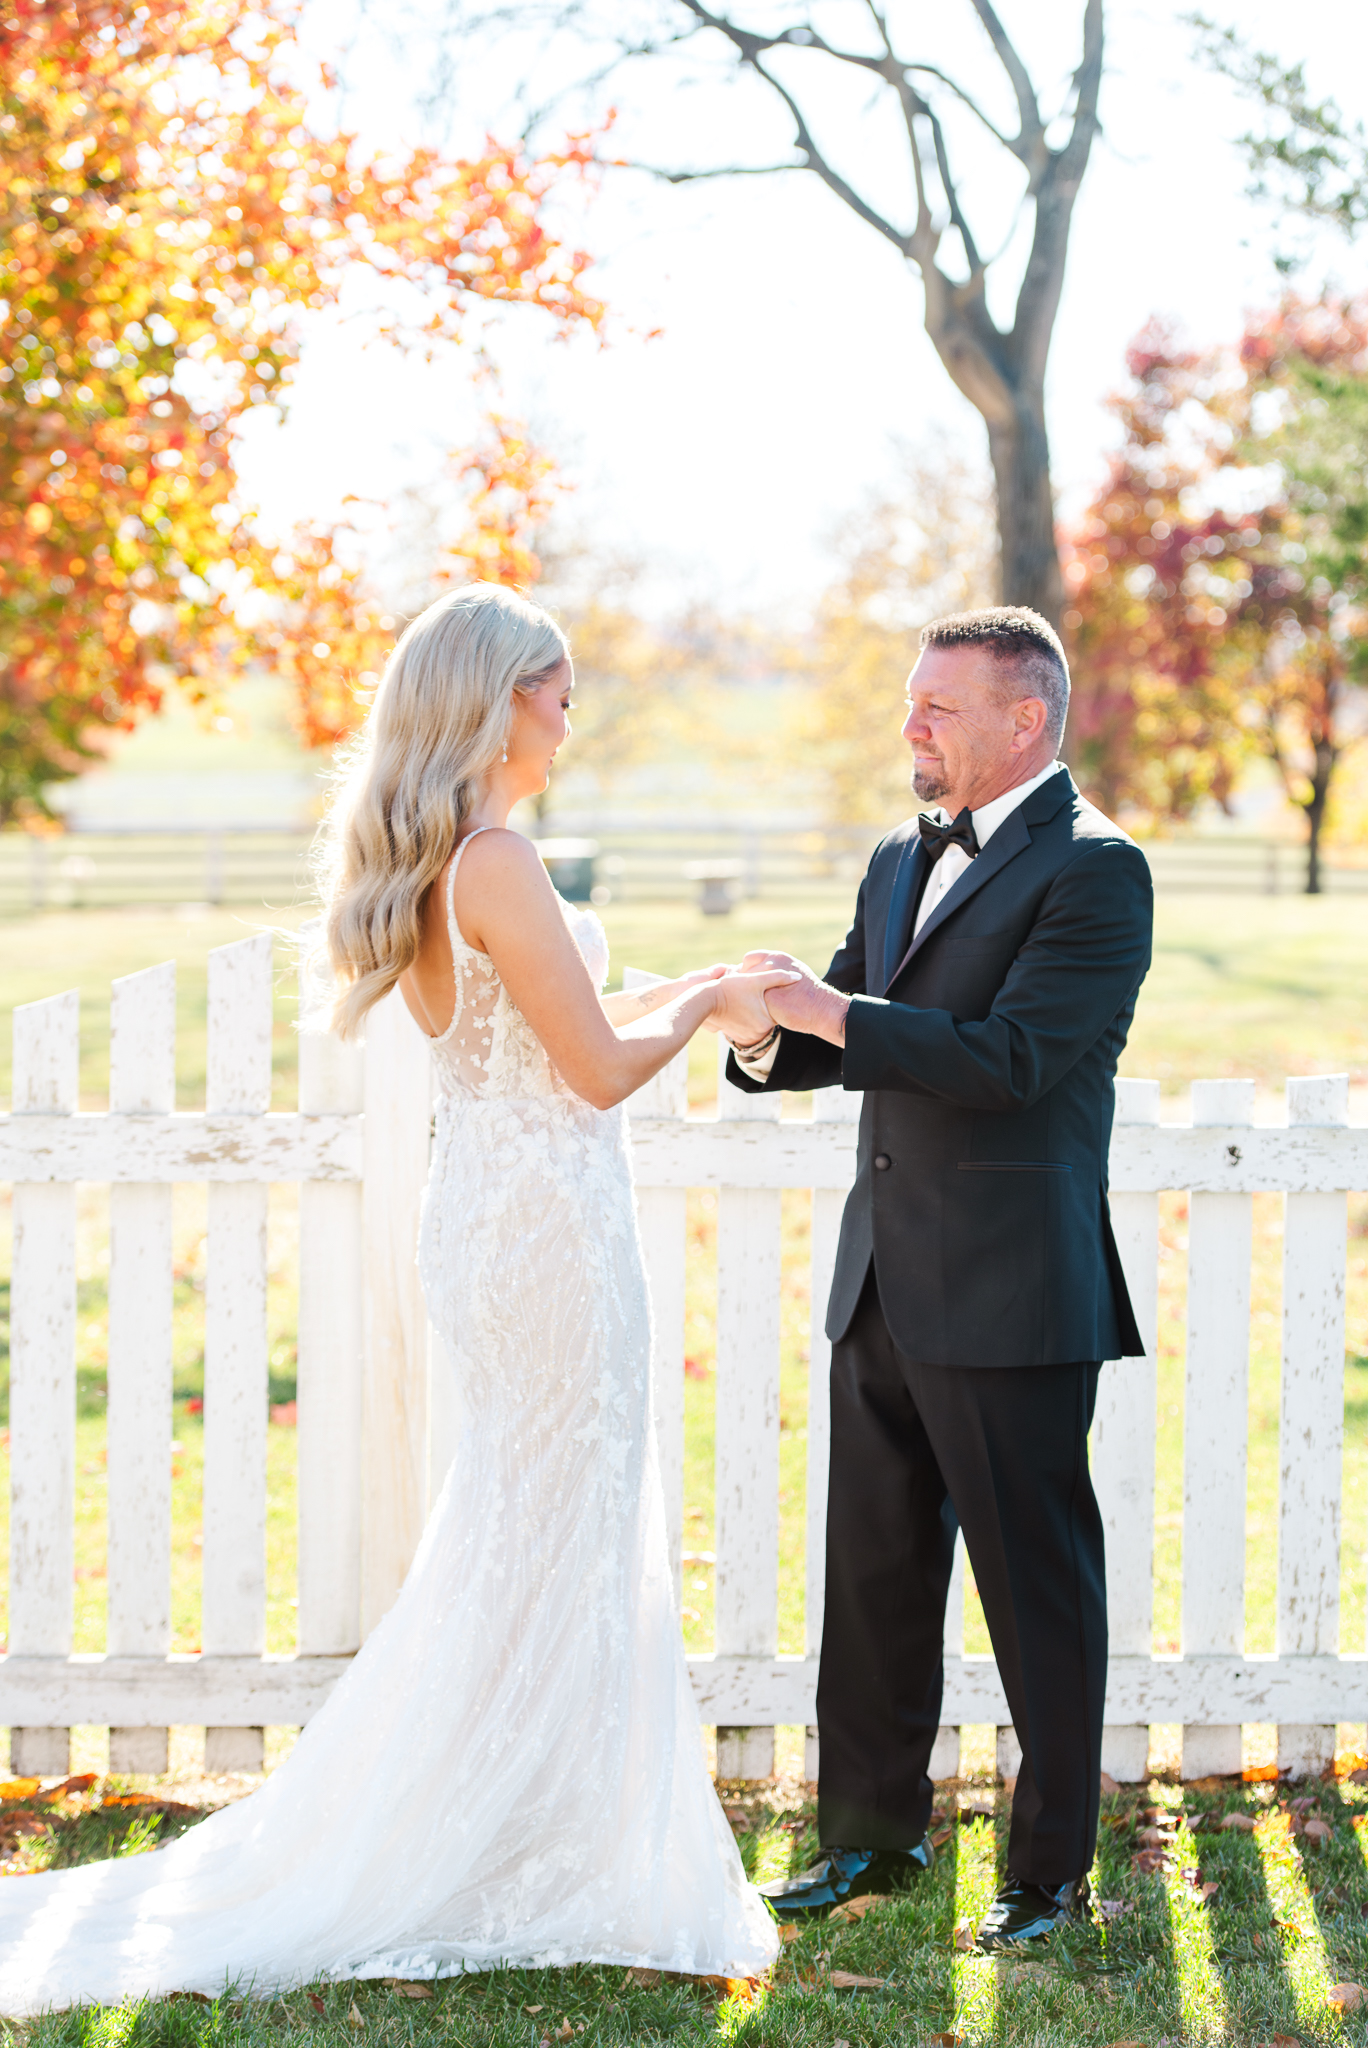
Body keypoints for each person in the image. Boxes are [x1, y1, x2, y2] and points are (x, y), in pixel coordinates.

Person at [0, 584, 784, 2015]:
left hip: (491, 1219)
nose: (570, 720)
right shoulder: (500, 860)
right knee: (559, 1526)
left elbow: (555, 1027)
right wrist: (711, 1010)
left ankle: (523, 1826)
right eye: (558, 694)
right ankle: (510, 1842)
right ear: (500, 702)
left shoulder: (442, 865)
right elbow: (600, 1071)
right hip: (548, 1232)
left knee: (525, 1526)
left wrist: (705, 982)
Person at [726, 607, 1153, 1952]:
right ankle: (867, 1837)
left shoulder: (1098, 870)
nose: (910, 726)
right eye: (909, 701)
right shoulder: (897, 856)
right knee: (875, 1578)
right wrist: (759, 1033)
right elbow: (845, 1033)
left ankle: (1049, 1872)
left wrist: (835, 1013)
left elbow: (1014, 1060)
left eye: (938, 707)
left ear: (1025, 719)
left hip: (1016, 1291)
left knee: (1038, 1591)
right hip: (883, 1282)